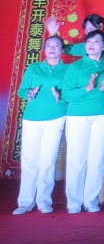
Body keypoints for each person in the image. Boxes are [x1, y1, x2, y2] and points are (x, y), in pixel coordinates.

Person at [14, 36, 68, 215]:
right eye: (49, 45)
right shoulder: (34, 68)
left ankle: (44, 201)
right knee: (30, 161)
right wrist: (29, 93)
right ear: (44, 49)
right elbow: (21, 90)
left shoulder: (68, 70)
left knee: (48, 161)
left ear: (62, 50)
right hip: (32, 118)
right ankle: (25, 202)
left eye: (57, 45)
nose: (52, 48)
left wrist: (61, 96)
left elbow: (70, 93)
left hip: (56, 118)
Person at [62, 30, 104, 213]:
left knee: (97, 159)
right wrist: (87, 88)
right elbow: (66, 94)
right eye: (88, 41)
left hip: (103, 114)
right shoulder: (75, 67)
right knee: (77, 158)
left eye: (96, 41)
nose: (91, 45)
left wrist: (103, 90)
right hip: (78, 115)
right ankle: (74, 202)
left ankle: (91, 200)